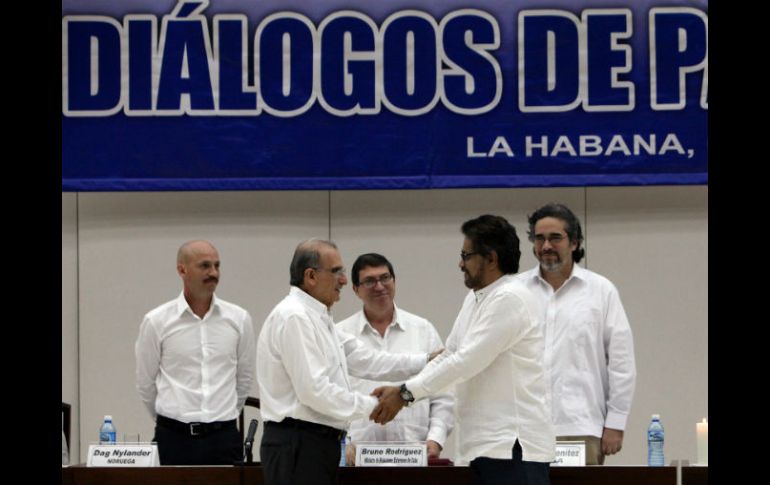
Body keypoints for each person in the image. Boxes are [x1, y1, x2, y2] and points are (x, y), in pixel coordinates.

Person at [371, 215, 554, 485]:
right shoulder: (476, 297)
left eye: (466, 256)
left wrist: (406, 394)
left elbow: (466, 362)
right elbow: (450, 354)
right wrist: (403, 389)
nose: (460, 264)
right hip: (485, 446)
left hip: (513, 447)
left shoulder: (510, 298)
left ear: (491, 259)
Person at [257, 239, 437, 485]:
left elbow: (367, 360)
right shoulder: (295, 317)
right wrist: (376, 405)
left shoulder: (318, 317)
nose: (343, 280)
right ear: (311, 276)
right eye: (336, 272)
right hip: (299, 444)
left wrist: (427, 360)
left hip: (314, 444)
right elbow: (315, 391)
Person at [517, 203, 636, 465]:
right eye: (539, 238)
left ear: (574, 242)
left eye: (555, 238)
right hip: (522, 429)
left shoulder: (601, 291)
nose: (546, 246)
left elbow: (621, 363)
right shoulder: (515, 291)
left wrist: (616, 423)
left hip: (580, 426)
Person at [135, 240, 256, 465]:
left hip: (223, 438)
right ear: (182, 270)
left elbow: (244, 378)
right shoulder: (157, 321)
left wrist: (221, 417)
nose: (214, 273)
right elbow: (145, 382)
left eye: (217, 266)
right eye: (205, 266)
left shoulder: (239, 319)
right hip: (173, 438)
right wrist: (173, 419)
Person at [337, 253, 454, 465]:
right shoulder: (340, 334)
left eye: (385, 278)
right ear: (355, 289)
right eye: (369, 281)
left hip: (414, 456)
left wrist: (435, 439)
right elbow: (333, 400)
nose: (379, 286)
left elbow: (443, 394)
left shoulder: (423, 330)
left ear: (394, 281)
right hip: (357, 462)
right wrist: (344, 445)